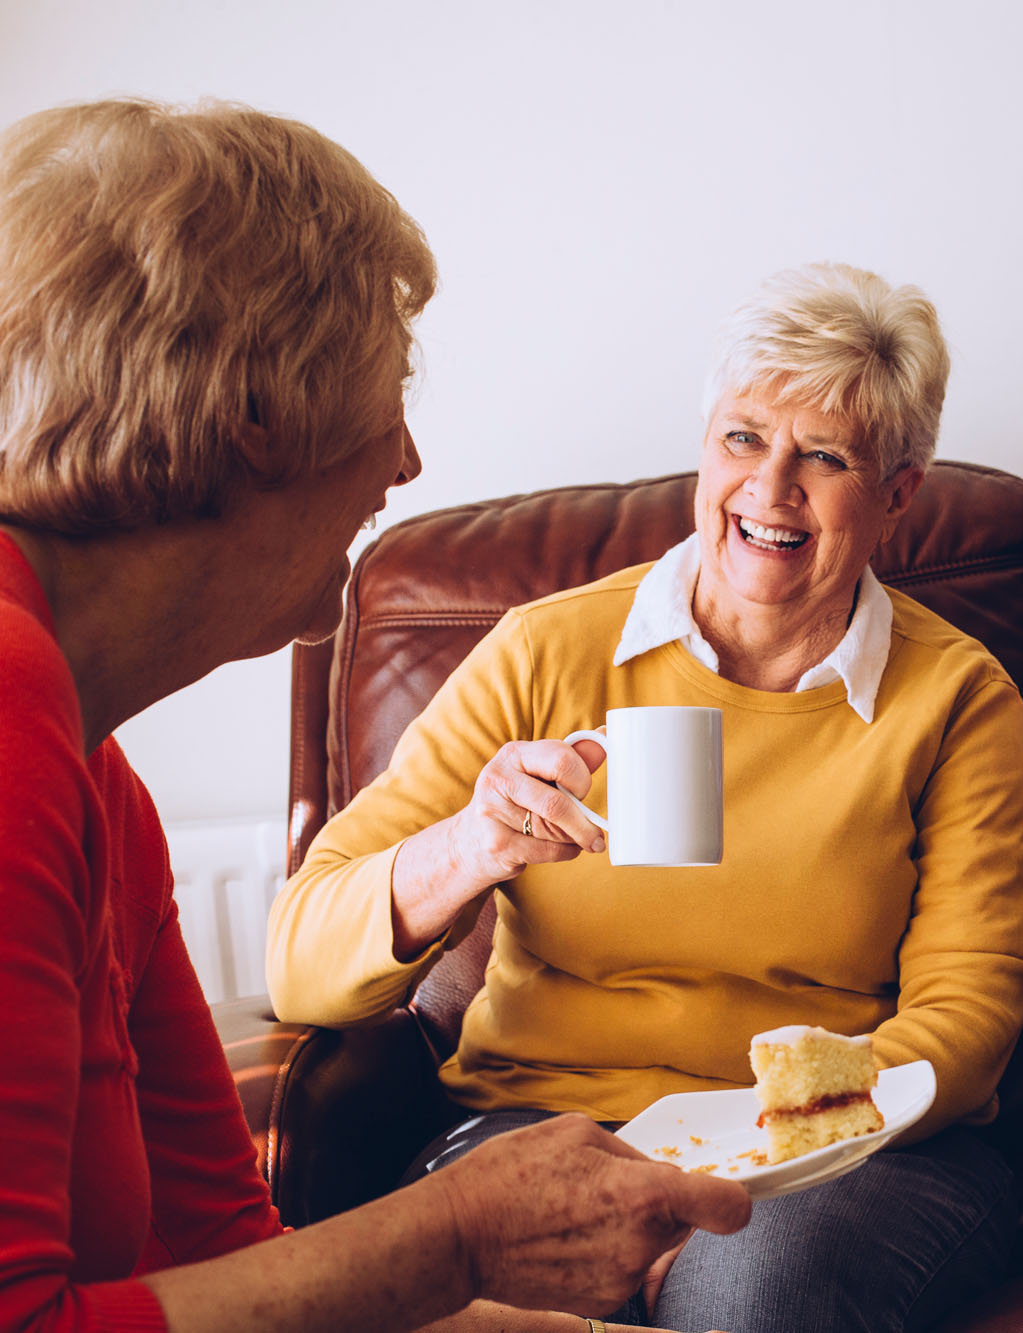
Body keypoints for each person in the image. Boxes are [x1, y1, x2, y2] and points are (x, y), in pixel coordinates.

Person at [0, 98, 750, 1333]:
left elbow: (228, 1244)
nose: (404, 461)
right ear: (255, 408)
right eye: (383, 395)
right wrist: (456, 1234)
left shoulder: (94, 772)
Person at [266, 261, 1023, 1332]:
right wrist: (469, 849)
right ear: (703, 448)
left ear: (897, 495)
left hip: (838, 1151)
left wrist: (742, 1154)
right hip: (541, 1120)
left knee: (747, 1291)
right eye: (743, 439)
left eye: (823, 458)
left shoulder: (954, 696)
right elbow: (299, 958)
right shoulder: (545, 650)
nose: (770, 491)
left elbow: (971, 1013)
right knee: (469, 1285)